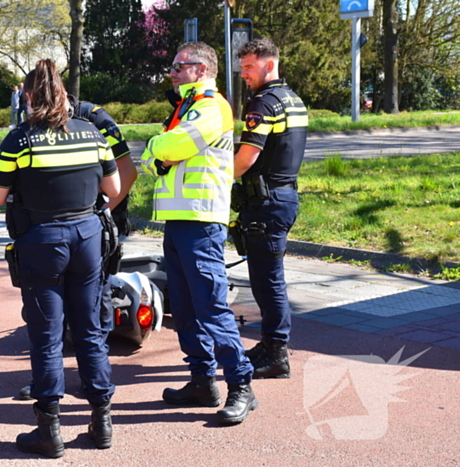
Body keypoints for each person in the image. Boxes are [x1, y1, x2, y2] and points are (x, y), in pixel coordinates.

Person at [0, 59, 120, 458]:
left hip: (41, 242)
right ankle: (102, 422)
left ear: (28, 97)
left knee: (47, 336)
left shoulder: (20, 139)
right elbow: (113, 189)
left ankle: (49, 430)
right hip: (88, 238)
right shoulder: (91, 132)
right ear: (64, 95)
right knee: (90, 330)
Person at [140, 41, 256, 425]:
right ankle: (202, 381)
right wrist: (159, 151)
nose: (172, 72)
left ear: (202, 69)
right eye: (173, 66)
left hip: (202, 220)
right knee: (185, 307)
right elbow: (152, 158)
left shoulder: (212, 106)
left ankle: (241, 385)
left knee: (210, 306)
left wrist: (158, 148)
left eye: (180, 66)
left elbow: (171, 145)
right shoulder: (185, 108)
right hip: (178, 220)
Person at [16, 94, 137, 400]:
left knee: (94, 308)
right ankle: (50, 380)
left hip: (94, 226)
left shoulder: (94, 119)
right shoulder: (33, 125)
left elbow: (127, 171)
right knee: (47, 313)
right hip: (55, 232)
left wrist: (100, 213)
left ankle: (93, 381)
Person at [233, 38, 308, 379]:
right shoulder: (292, 99)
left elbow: (245, 159)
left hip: (266, 202)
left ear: (269, 64)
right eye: (242, 67)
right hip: (282, 197)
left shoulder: (263, 103)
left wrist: (215, 178)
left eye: (249, 67)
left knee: (267, 281)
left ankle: (276, 353)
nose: (244, 74)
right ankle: (269, 345)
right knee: (268, 277)